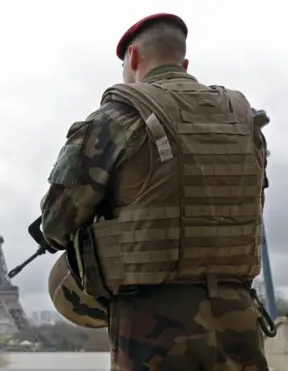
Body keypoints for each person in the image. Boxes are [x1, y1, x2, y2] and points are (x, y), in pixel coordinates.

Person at [41, 13, 269, 371]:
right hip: (238, 316)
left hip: (152, 325)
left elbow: (55, 224)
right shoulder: (244, 120)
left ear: (132, 58)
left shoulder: (116, 118)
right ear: (185, 62)